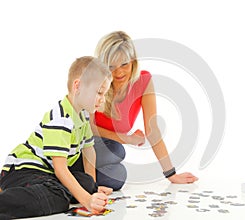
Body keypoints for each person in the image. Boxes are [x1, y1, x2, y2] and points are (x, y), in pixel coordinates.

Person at [0, 56, 113, 219]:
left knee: (86, 183)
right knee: (57, 199)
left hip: (47, 171)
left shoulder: (83, 116)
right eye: (99, 93)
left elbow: (89, 152)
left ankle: (29, 189)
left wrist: (92, 189)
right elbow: (60, 169)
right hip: (24, 169)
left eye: (105, 93)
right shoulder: (61, 119)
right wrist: (87, 200)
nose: (102, 99)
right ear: (78, 86)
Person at [91, 31, 198, 190]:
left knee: (117, 177)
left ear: (133, 61)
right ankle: (66, 172)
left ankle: (75, 180)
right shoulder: (94, 83)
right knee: (116, 151)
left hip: (103, 153)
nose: (119, 72)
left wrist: (170, 173)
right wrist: (127, 139)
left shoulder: (143, 81)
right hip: (81, 145)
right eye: (111, 67)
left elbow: (152, 130)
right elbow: (87, 128)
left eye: (124, 64)